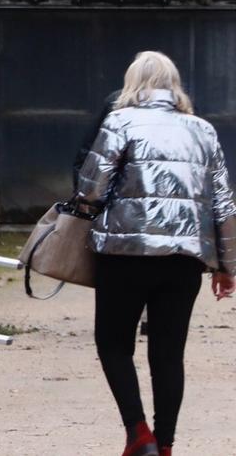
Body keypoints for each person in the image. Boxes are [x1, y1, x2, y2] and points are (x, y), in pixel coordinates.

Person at [76, 51, 235, 456]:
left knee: (113, 344)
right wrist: (227, 265)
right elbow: (223, 204)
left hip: (123, 253)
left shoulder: (119, 121)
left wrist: (86, 211)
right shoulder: (203, 130)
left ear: (133, 83)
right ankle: (165, 445)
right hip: (184, 258)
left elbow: (91, 188)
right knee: (168, 353)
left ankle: (138, 432)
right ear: (174, 84)